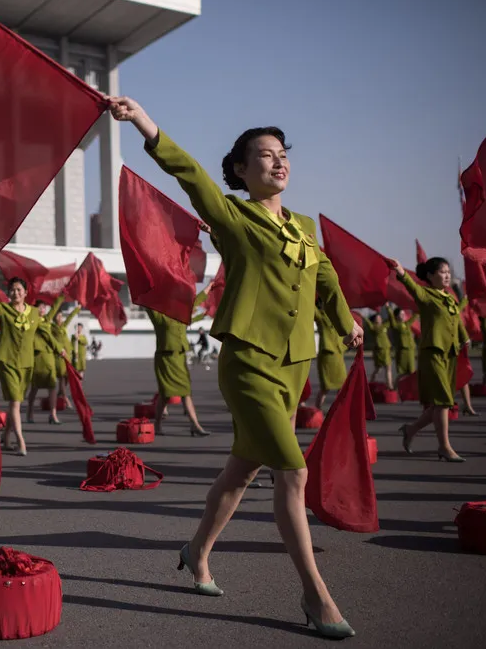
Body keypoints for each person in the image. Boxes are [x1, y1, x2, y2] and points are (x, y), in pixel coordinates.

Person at [110, 96, 362, 639]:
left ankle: (196, 550)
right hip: (248, 361)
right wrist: (145, 124)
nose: (278, 162)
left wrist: (344, 321)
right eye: (264, 155)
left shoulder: (304, 228)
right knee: (292, 471)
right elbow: (192, 176)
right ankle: (316, 596)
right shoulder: (234, 215)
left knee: (242, 470)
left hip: (295, 364)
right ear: (243, 171)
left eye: (282, 154)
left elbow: (327, 282)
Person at [390, 257, 468, 462]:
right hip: (432, 353)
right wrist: (401, 272)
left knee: (440, 403)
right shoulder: (427, 296)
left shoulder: (450, 298)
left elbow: (456, 318)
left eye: (448, 272)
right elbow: (413, 288)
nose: (447, 275)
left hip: (449, 354)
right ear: (431, 276)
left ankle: (410, 429)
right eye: (442, 272)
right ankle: (444, 447)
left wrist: (465, 337)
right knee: (443, 401)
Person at [0, 277, 59, 455]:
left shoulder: (34, 313)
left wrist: (59, 349)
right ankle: (21, 441)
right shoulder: (4, 309)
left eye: (18, 290)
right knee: (15, 402)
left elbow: (45, 332)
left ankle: (5, 437)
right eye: (12, 290)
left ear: (25, 293)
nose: (15, 293)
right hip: (6, 361)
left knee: (15, 403)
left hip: (26, 363)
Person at [145, 302, 210, 437]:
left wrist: (208, 290)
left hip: (179, 358)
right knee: (165, 394)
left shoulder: (181, 317)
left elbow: (193, 303)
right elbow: (148, 305)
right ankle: (157, 425)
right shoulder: (160, 317)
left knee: (185, 391)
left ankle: (195, 425)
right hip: (165, 359)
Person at [26, 296, 67, 424]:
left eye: (44, 307)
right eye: (40, 307)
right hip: (37, 356)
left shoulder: (47, 320)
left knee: (52, 386)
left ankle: (52, 414)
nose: (43, 309)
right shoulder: (33, 320)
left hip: (49, 356)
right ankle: (30, 412)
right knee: (34, 387)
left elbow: (54, 309)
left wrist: (62, 296)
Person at [314, 301, 347, 411]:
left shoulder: (336, 316)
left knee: (342, 386)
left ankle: (341, 411)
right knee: (325, 387)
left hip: (338, 354)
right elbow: (313, 310)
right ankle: (317, 411)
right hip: (327, 354)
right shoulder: (321, 316)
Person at [51, 303, 81, 410]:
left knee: (66, 379)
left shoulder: (63, 325)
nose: (59, 318)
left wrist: (77, 309)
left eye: (60, 316)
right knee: (63, 379)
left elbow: (69, 318)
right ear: (53, 318)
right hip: (59, 358)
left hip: (67, 357)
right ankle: (65, 399)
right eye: (57, 316)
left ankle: (59, 395)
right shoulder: (51, 328)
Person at [363, 313, 393, 389]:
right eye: (377, 318)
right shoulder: (373, 327)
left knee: (388, 367)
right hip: (379, 351)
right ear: (374, 320)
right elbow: (368, 323)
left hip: (386, 349)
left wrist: (388, 309)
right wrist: (363, 316)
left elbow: (391, 320)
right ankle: (370, 383)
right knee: (378, 369)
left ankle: (390, 385)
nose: (379, 319)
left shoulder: (384, 326)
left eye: (380, 318)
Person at [386, 307, 418, 377]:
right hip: (402, 352)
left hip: (410, 350)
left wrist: (417, 307)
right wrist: (388, 308)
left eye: (404, 314)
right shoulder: (395, 325)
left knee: (412, 372)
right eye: (401, 314)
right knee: (402, 373)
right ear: (397, 316)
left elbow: (415, 316)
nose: (403, 315)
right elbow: (391, 318)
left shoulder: (407, 324)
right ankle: (396, 387)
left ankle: (410, 388)